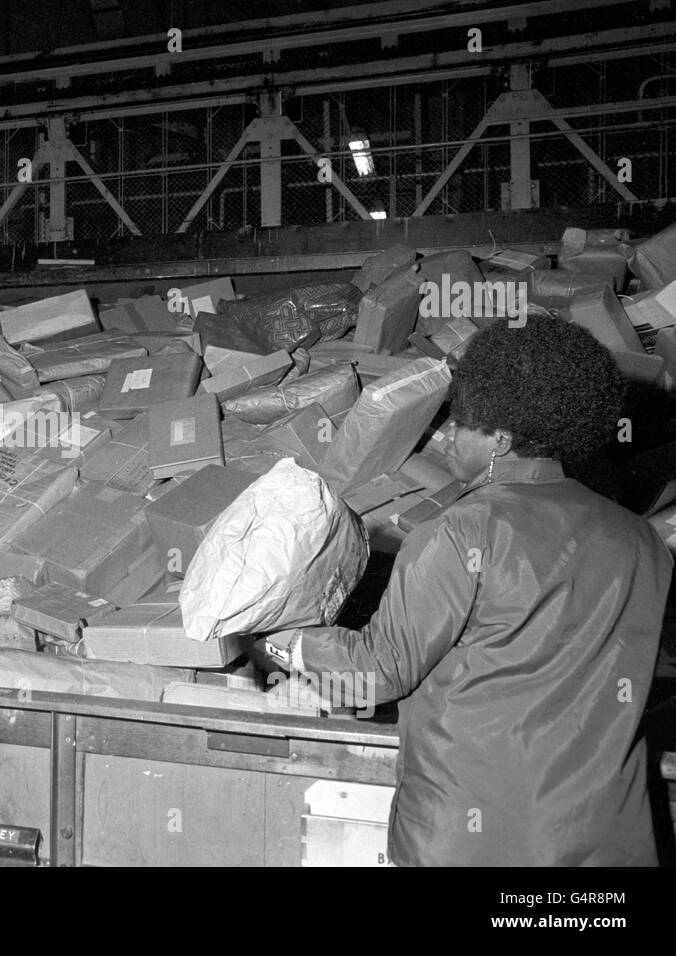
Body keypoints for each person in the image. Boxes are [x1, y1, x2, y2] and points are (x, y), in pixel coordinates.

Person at [260, 316, 672, 866]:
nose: (445, 436)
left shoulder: (463, 530)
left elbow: (379, 673)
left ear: (502, 439)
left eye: (463, 423)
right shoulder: (640, 539)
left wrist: (284, 642)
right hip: (606, 842)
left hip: (480, 839)